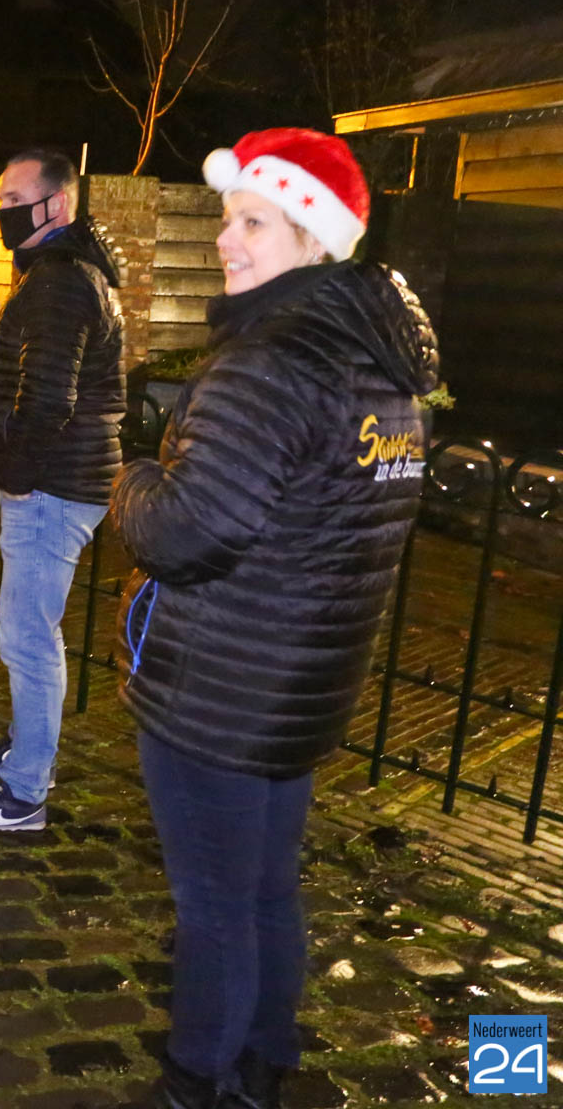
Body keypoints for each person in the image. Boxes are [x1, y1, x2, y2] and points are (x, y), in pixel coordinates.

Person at [112, 128, 437, 1109]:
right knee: (265, 887)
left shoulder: (270, 361)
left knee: (214, 904)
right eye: (228, 219)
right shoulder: (383, 368)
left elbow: (186, 531)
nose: (226, 239)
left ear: (313, 238)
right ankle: (265, 1059)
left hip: (220, 685)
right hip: (302, 684)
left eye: (253, 222)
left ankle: (196, 1077)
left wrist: (134, 476)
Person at [0, 148, 124, 833]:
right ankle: (24, 748)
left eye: (16, 199)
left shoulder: (58, 283)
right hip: (63, 478)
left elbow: (47, 397)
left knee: (28, 639)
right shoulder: (67, 273)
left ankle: (24, 794)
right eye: (0, 198)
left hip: (53, 483)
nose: (3, 211)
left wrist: (14, 472)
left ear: (58, 204)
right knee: (30, 631)